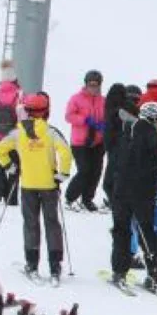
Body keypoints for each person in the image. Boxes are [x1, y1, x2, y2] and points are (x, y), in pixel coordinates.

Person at [0, 92, 72, 282]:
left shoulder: (18, 132)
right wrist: (62, 175)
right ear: (46, 111)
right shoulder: (51, 132)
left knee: (31, 224)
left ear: (26, 111)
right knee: (52, 224)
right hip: (49, 185)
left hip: (28, 184)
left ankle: (32, 264)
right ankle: (55, 266)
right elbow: (66, 153)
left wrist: (10, 167)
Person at [109, 100, 157, 289]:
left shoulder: (129, 131)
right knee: (146, 231)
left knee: (121, 229)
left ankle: (119, 271)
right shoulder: (152, 136)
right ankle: (153, 273)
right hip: (142, 191)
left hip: (122, 188)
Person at [63, 70, 107, 212]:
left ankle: (87, 199)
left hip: (98, 142)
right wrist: (85, 120)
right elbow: (69, 116)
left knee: (96, 171)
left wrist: (104, 125)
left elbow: (108, 118)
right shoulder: (76, 99)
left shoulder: (103, 101)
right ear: (86, 84)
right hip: (80, 142)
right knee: (84, 170)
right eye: (91, 85)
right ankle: (70, 198)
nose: (94, 88)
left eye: (96, 85)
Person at [0, 61, 23, 204]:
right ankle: (11, 197)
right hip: (14, 135)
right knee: (15, 164)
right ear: (14, 78)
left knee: (0, 162)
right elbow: (22, 115)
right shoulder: (19, 95)